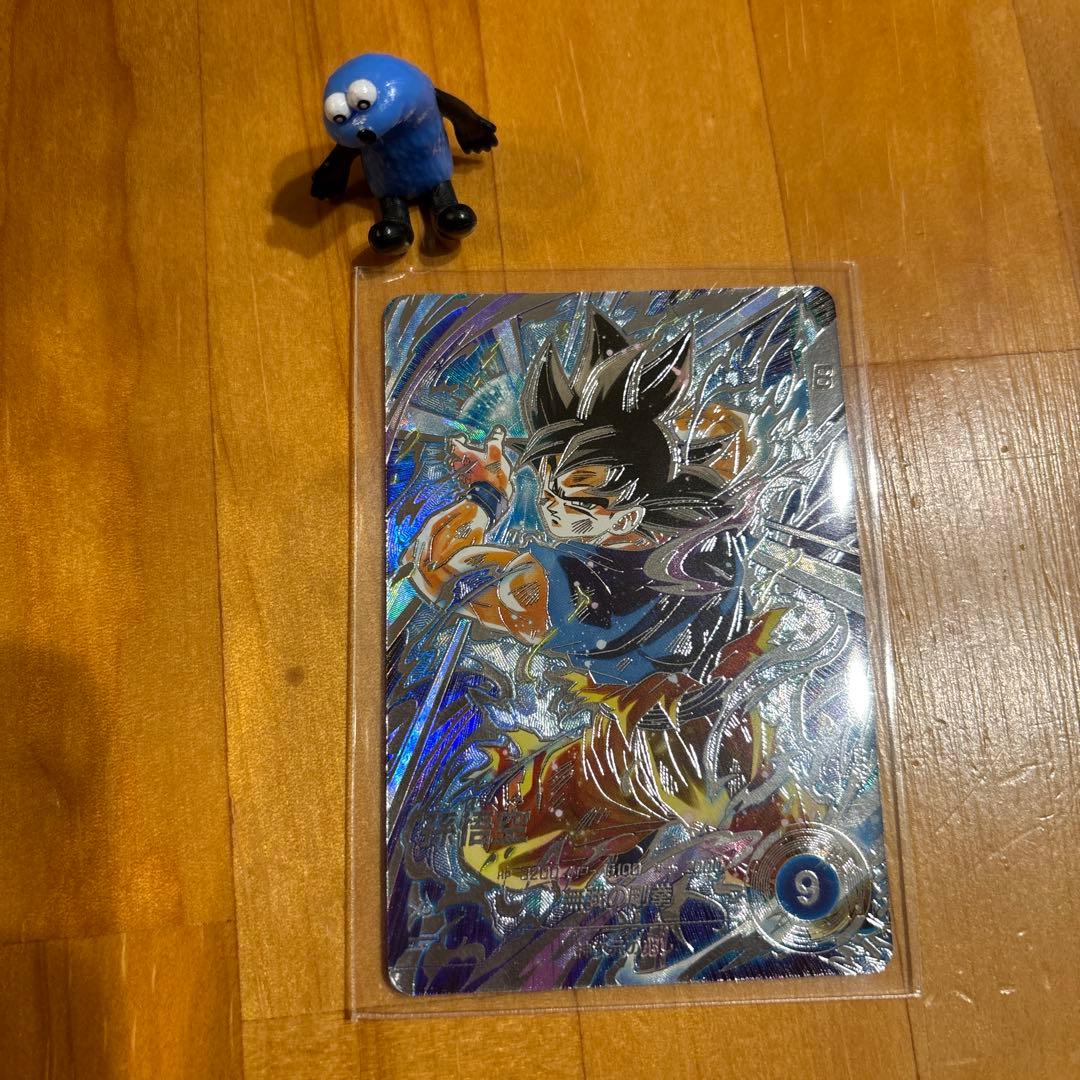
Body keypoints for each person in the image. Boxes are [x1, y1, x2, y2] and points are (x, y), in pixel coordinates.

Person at [405, 312, 805, 890]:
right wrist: (638, 435)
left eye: (573, 496)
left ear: (626, 514)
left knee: (493, 848)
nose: (549, 506)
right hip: (729, 731)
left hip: (652, 756)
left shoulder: (546, 589)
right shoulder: (716, 529)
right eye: (548, 482)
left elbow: (434, 569)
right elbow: (733, 430)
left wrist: (486, 495)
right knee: (773, 846)